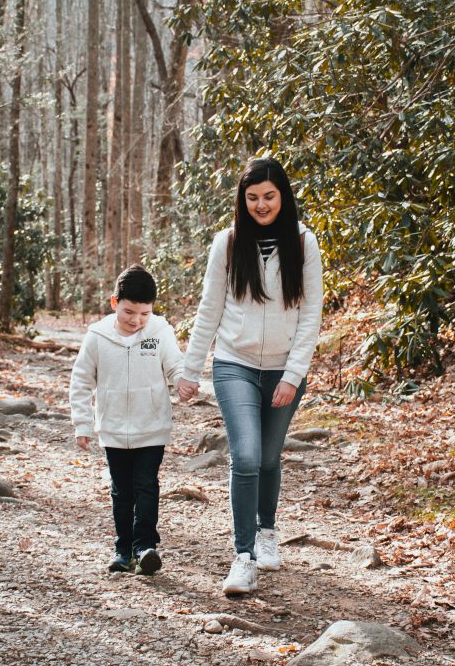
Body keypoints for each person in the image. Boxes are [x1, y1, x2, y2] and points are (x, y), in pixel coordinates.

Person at [176, 157, 323, 596]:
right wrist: (189, 369)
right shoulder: (227, 242)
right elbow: (209, 309)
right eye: (252, 197)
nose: (261, 205)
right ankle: (243, 557)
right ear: (243, 199)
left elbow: (310, 314)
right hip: (234, 364)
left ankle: (267, 531)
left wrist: (293, 375)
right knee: (244, 456)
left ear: (283, 197)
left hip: (283, 368)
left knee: (267, 459)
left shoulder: (303, 243)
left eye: (269, 197)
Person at [69, 264, 184, 575]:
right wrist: (82, 424)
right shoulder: (97, 336)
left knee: (146, 485)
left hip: (152, 425)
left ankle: (145, 546)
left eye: (144, 313)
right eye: (129, 312)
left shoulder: (160, 332)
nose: (136, 320)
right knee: (122, 491)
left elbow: (175, 367)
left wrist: (184, 382)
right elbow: (81, 381)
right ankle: (123, 549)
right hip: (113, 427)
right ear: (113, 303)